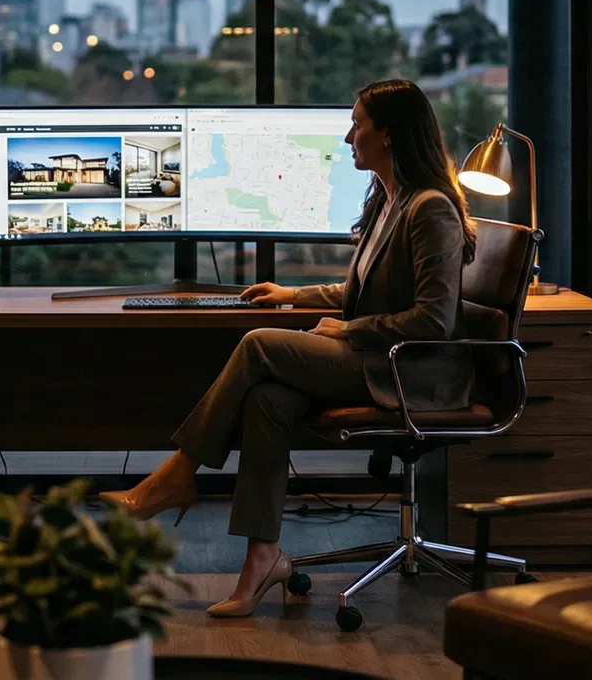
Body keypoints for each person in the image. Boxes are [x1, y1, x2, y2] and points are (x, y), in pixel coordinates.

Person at [102, 78, 478, 617]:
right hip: (378, 358)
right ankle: (264, 560)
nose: (349, 137)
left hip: (408, 371)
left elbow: (434, 320)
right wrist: (294, 294)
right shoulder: (388, 201)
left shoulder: (430, 209)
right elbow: (366, 290)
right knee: (267, 403)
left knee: (257, 345)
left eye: (358, 125)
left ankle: (178, 475)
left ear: (389, 135)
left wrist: (348, 330)